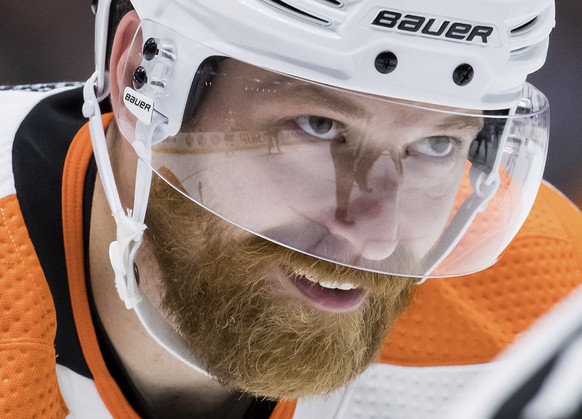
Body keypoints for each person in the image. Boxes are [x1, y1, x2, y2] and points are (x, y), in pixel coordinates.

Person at [0, 0, 580, 418]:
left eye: (437, 144)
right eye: (319, 126)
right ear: (141, 79)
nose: (375, 237)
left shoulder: (544, 305)